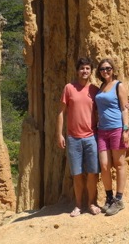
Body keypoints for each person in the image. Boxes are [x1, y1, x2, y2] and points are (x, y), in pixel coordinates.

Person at [57, 56, 101, 217]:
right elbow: (61, 112)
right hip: (73, 138)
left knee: (92, 173)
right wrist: (59, 134)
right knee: (76, 173)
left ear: (91, 71)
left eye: (87, 68)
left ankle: (91, 203)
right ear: (77, 70)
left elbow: (104, 108)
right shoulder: (69, 88)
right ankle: (78, 205)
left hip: (91, 137)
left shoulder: (95, 90)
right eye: (82, 68)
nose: (84, 71)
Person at [94, 58, 129, 216]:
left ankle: (119, 200)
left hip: (116, 128)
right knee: (104, 165)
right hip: (102, 131)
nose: (105, 71)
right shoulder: (101, 87)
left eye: (108, 68)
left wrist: (126, 128)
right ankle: (109, 198)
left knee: (119, 163)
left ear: (113, 69)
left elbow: (124, 108)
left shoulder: (118, 85)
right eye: (102, 69)